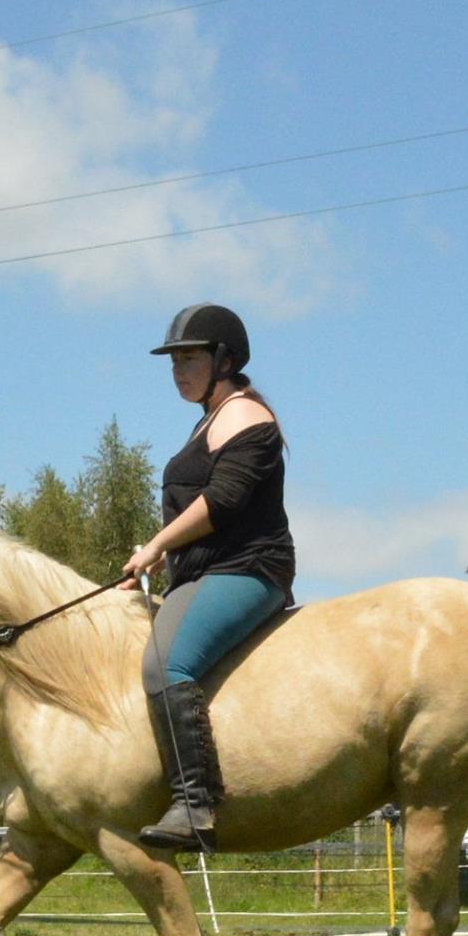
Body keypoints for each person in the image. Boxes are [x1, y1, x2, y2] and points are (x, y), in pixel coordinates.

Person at [122, 302, 295, 852]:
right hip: (203, 572)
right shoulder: (209, 421)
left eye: (190, 358)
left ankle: (195, 804)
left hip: (248, 569)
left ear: (224, 359)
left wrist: (157, 544)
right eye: (173, 361)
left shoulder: (246, 416)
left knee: (166, 663)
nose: (178, 370)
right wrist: (155, 557)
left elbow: (220, 504)